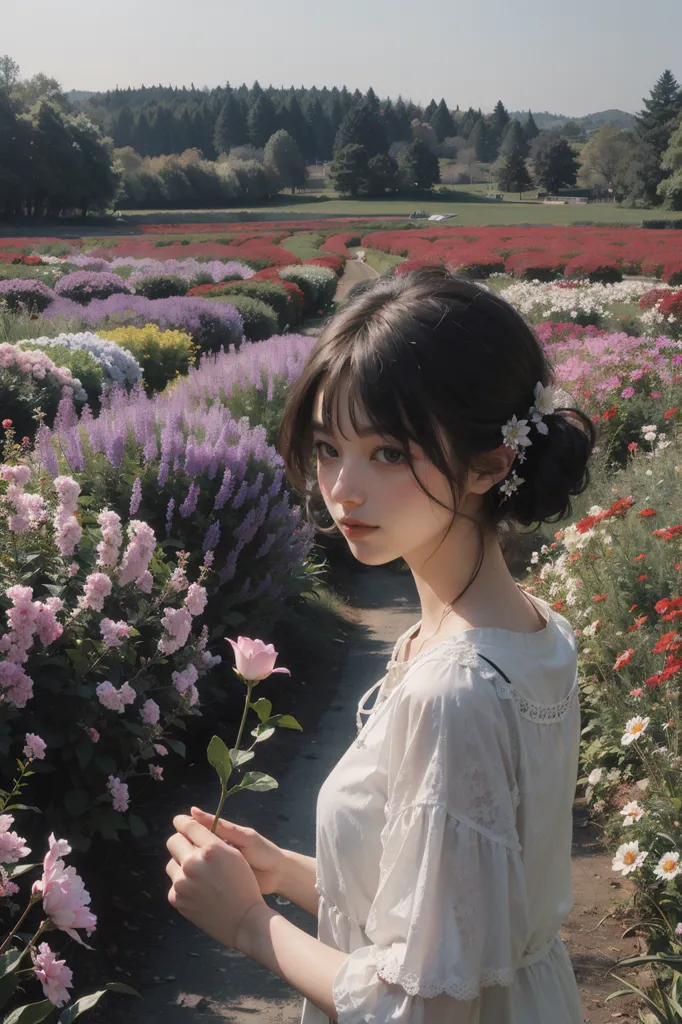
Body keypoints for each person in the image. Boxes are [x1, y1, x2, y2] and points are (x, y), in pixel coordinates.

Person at [165, 267, 594, 1023]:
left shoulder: (454, 688)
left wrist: (247, 923)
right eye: (329, 447)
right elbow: (465, 908)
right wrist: (287, 872)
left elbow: (421, 1005)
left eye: (389, 453)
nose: (343, 488)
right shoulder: (529, 628)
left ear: (491, 462)